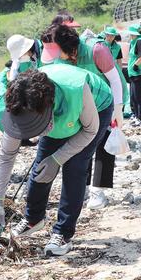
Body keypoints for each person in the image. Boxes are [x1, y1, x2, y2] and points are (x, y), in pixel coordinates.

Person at [0, 67, 102, 256]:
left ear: (48, 108)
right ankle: (33, 219)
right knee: (41, 168)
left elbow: (90, 130)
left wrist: (57, 158)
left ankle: (63, 233)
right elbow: (6, 155)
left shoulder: (75, 90)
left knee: (74, 168)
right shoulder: (20, 103)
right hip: (51, 116)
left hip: (94, 109)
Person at [40, 24, 122, 209]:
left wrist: (117, 109)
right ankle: (83, 187)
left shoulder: (97, 50)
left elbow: (115, 80)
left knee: (103, 145)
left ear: (69, 49)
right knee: (82, 146)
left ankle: (98, 191)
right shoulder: (58, 57)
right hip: (79, 105)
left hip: (104, 102)